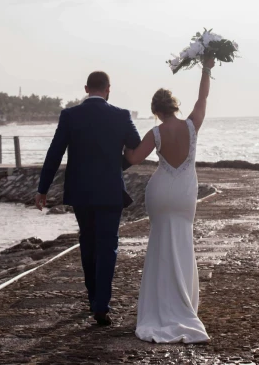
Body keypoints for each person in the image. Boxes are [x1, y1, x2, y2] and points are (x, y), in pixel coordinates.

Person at [35, 71, 141, 326]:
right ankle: (101, 304)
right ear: (108, 89)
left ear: (86, 89)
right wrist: (117, 166)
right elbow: (136, 146)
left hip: (81, 191)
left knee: (88, 243)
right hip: (110, 190)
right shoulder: (121, 115)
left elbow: (55, 153)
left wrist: (43, 188)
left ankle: (93, 296)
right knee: (108, 246)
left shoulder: (70, 115)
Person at [124, 56, 214, 343]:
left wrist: (122, 143)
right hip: (185, 194)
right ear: (175, 106)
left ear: (155, 111)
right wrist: (207, 68)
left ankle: (159, 308)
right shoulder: (191, 125)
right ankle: (184, 306)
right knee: (182, 244)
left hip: (161, 193)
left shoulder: (155, 132)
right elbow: (202, 97)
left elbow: (135, 158)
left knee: (161, 246)